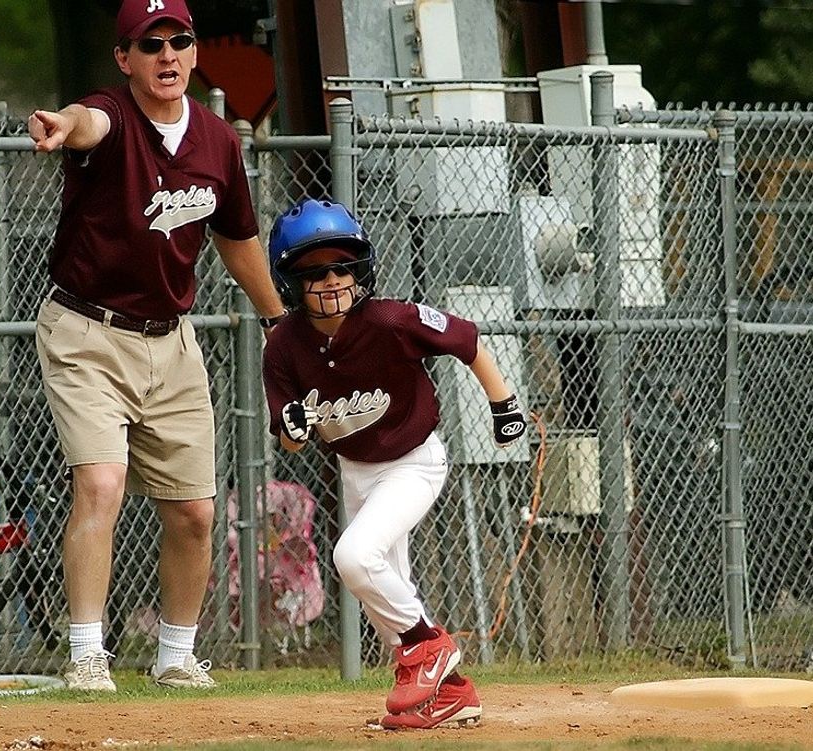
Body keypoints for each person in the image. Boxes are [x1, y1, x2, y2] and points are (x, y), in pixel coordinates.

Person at [27, 0, 287, 692]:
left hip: (171, 341)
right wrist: (63, 125)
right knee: (102, 483)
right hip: (87, 331)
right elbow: (89, 122)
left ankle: (175, 654)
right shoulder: (109, 117)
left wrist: (276, 321)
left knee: (196, 512)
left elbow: (237, 239)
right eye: (149, 45)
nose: (166, 56)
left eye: (179, 41)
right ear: (125, 59)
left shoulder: (217, 141)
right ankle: (88, 652)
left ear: (195, 52)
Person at [261, 198, 527, 729]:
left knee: (355, 558)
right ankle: (454, 694)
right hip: (356, 470)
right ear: (291, 283)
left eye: (342, 266)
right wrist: (294, 428)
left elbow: (468, 340)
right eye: (314, 272)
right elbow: (290, 444)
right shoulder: (285, 346)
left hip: (415, 461)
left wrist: (505, 407)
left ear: (361, 271)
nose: (332, 279)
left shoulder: (388, 318)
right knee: (386, 599)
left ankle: (432, 648)